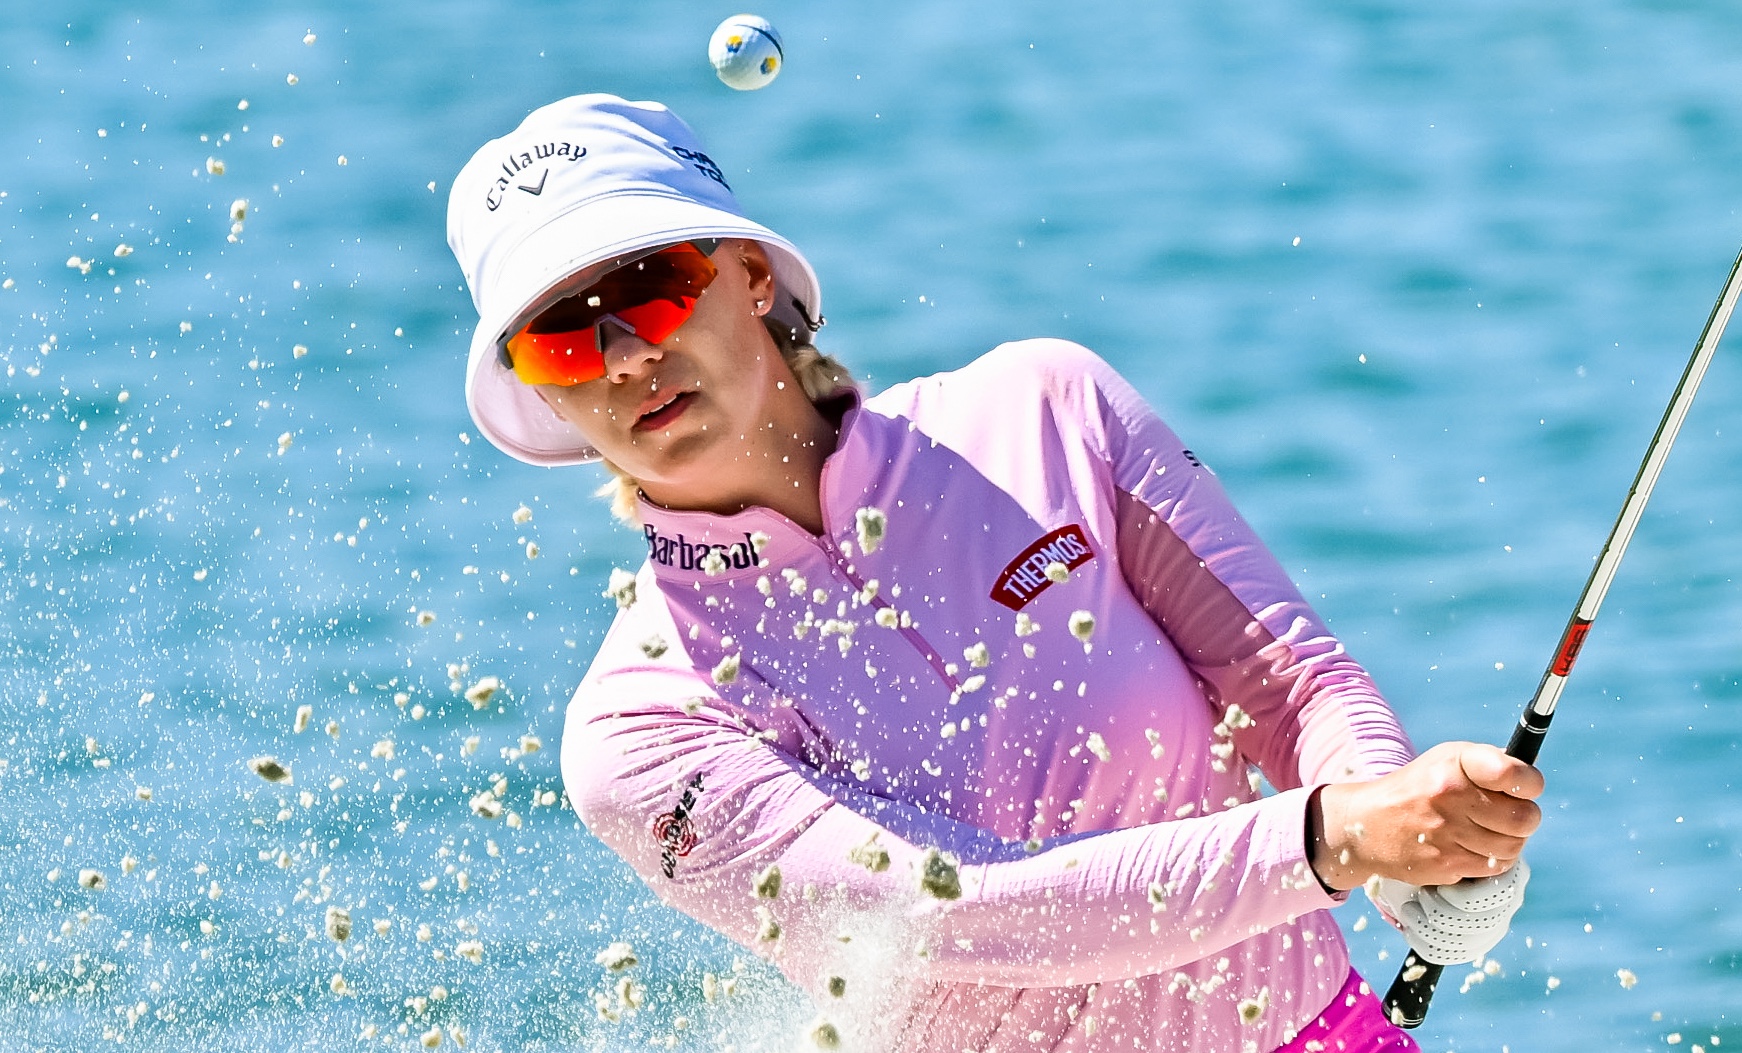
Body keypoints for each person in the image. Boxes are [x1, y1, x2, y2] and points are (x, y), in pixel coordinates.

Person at [446, 94, 1543, 1053]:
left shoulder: (1046, 406)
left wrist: (1412, 840)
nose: (625, 354)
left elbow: (1291, 684)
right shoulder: (637, 731)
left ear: (748, 275)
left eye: (651, 285)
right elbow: (946, 911)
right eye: (561, 338)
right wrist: (1332, 837)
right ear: (538, 390)